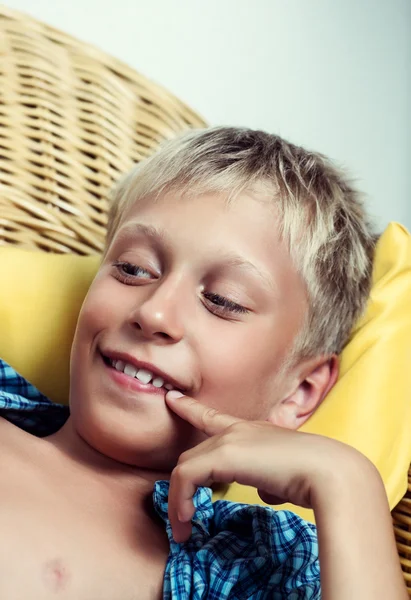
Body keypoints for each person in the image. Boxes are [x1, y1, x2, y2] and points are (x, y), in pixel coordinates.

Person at [0, 127, 406, 599]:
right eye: (133, 269)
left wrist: (349, 486)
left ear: (299, 392)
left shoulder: (258, 568)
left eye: (222, 300)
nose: (153, 313)